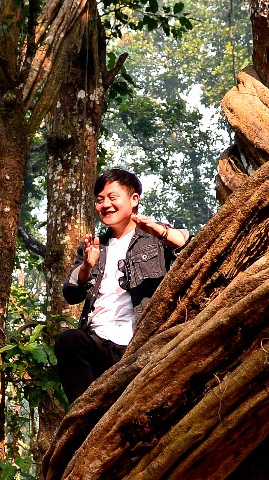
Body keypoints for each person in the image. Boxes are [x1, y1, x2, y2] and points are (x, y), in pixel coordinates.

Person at [55, 168, 190, 404]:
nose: (105, 205)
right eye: (100, 200)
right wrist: (87, 266)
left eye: (112, 197)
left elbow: (191, 248)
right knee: (69, 341)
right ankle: (84, 418)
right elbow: (71, 293)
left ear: (134, 199)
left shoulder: (155, 237)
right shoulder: (95, 246)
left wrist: (159, 231)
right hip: (98, 342)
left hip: (141, 343)